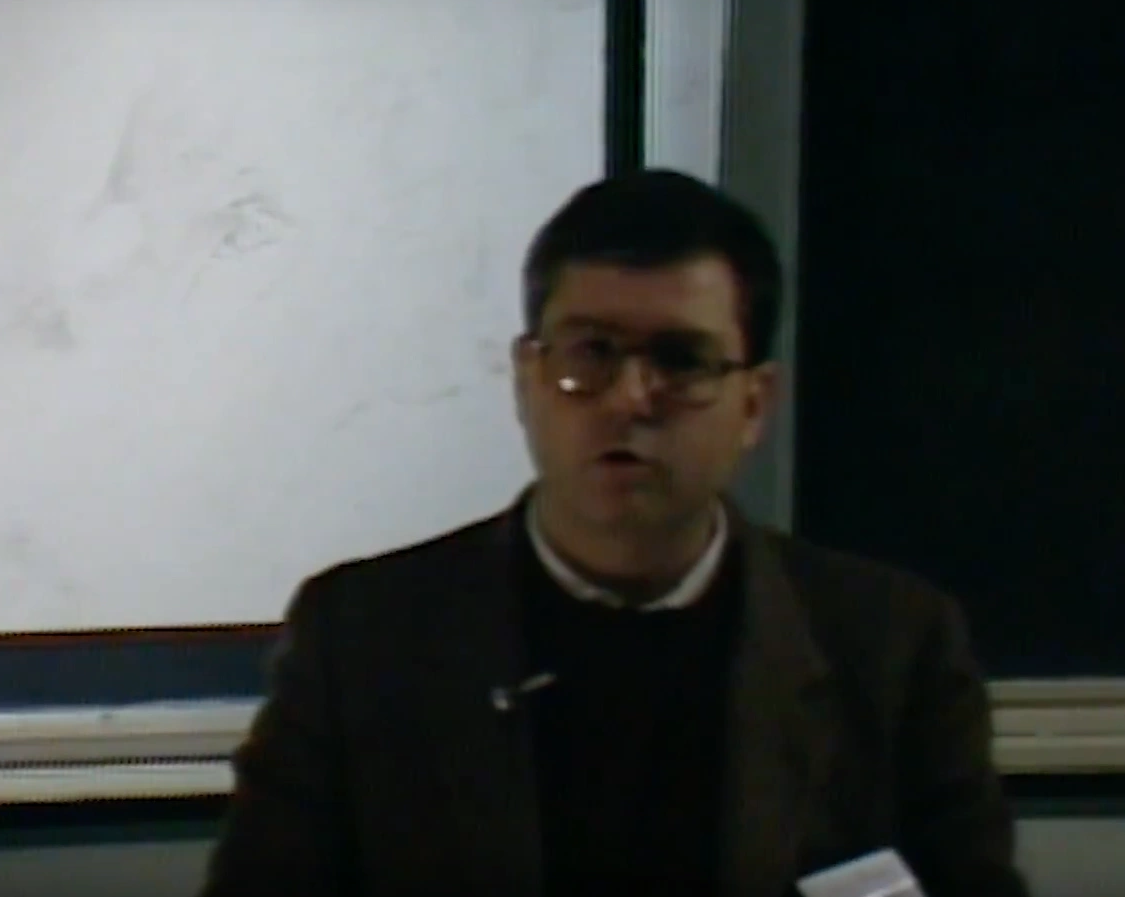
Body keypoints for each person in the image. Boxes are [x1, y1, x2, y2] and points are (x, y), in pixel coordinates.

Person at [198, 170, 1030, 897]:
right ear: (525, 380)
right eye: (587, 352)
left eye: (682, 359)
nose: (631, 397)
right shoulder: (363, 637)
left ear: (754, 404)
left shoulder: (891, 645)